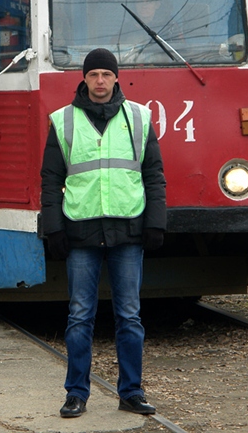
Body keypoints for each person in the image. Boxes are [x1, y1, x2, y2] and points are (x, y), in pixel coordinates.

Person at [40, 48, 166, 418]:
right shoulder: (63, 121)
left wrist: (156, 222)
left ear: (116, 78)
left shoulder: (139, 118)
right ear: (84, 78)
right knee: (80, 316)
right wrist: (53, 229)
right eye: (93, 74)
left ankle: (131, 392)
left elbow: (154, 175)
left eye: (105, 75)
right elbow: (50, 181)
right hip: (81, 232)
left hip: (128, 229)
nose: (99, 81)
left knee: (129, 315)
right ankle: (76, 393)